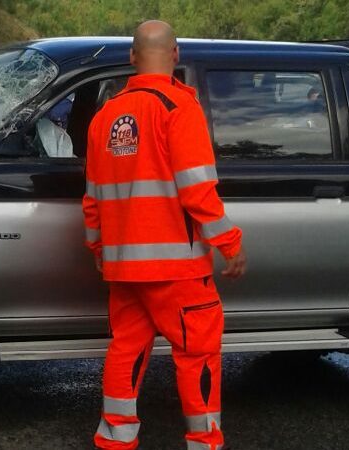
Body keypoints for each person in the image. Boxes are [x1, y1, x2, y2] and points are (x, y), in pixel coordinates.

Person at [82, 20, 247, 450]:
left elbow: (93, 199)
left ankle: (116, 440)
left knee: (126, 351)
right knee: (198, 355)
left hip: (123, 268)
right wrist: (228, 243)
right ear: (175, 56)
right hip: (177, 268)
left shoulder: (104, 118)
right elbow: (197, 190)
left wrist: (99, 247)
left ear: (132, 58)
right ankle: (204, 442)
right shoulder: (179, 107)